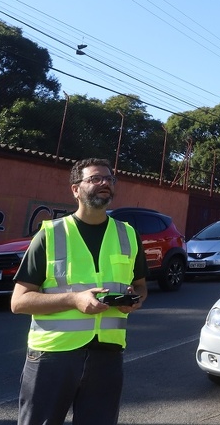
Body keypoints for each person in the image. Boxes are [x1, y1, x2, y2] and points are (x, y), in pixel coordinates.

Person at [11, 157, 148, 425]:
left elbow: (141, 286)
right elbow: (19, 302)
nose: (105, 183)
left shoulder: (128, 234)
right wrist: (74, 300)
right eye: (95, 178)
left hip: (107, 354)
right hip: (52, 355)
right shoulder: (51, 234)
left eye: (109, 179)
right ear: (76, 189)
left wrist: (135, 299)